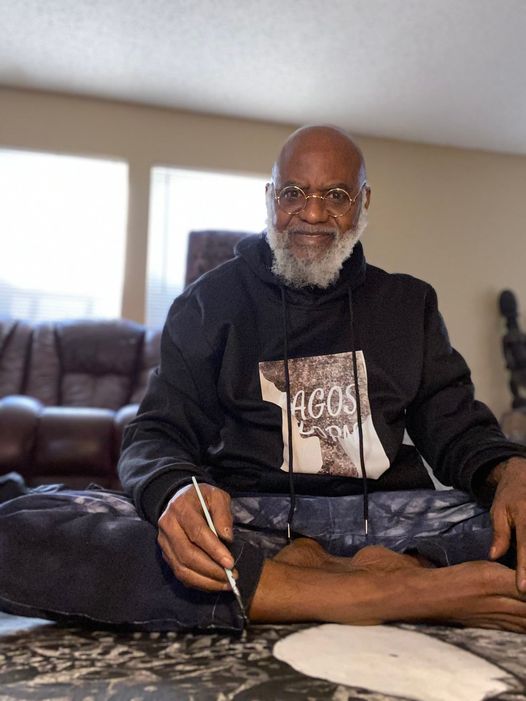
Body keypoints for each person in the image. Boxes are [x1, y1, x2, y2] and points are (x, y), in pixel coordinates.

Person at [1, 125, 526, 633]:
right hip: (252, 524)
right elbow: (156, 433)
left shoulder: (408, 304)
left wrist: (510, 471)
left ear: (364, 203)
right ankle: (395, 591)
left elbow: (459, 430)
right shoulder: (209, 303)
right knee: (20, 526)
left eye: (336, 194)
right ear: (270, 197)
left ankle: (297, 586)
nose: (313, 213)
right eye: (294, 193)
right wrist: (178, 491)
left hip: (394, 526)